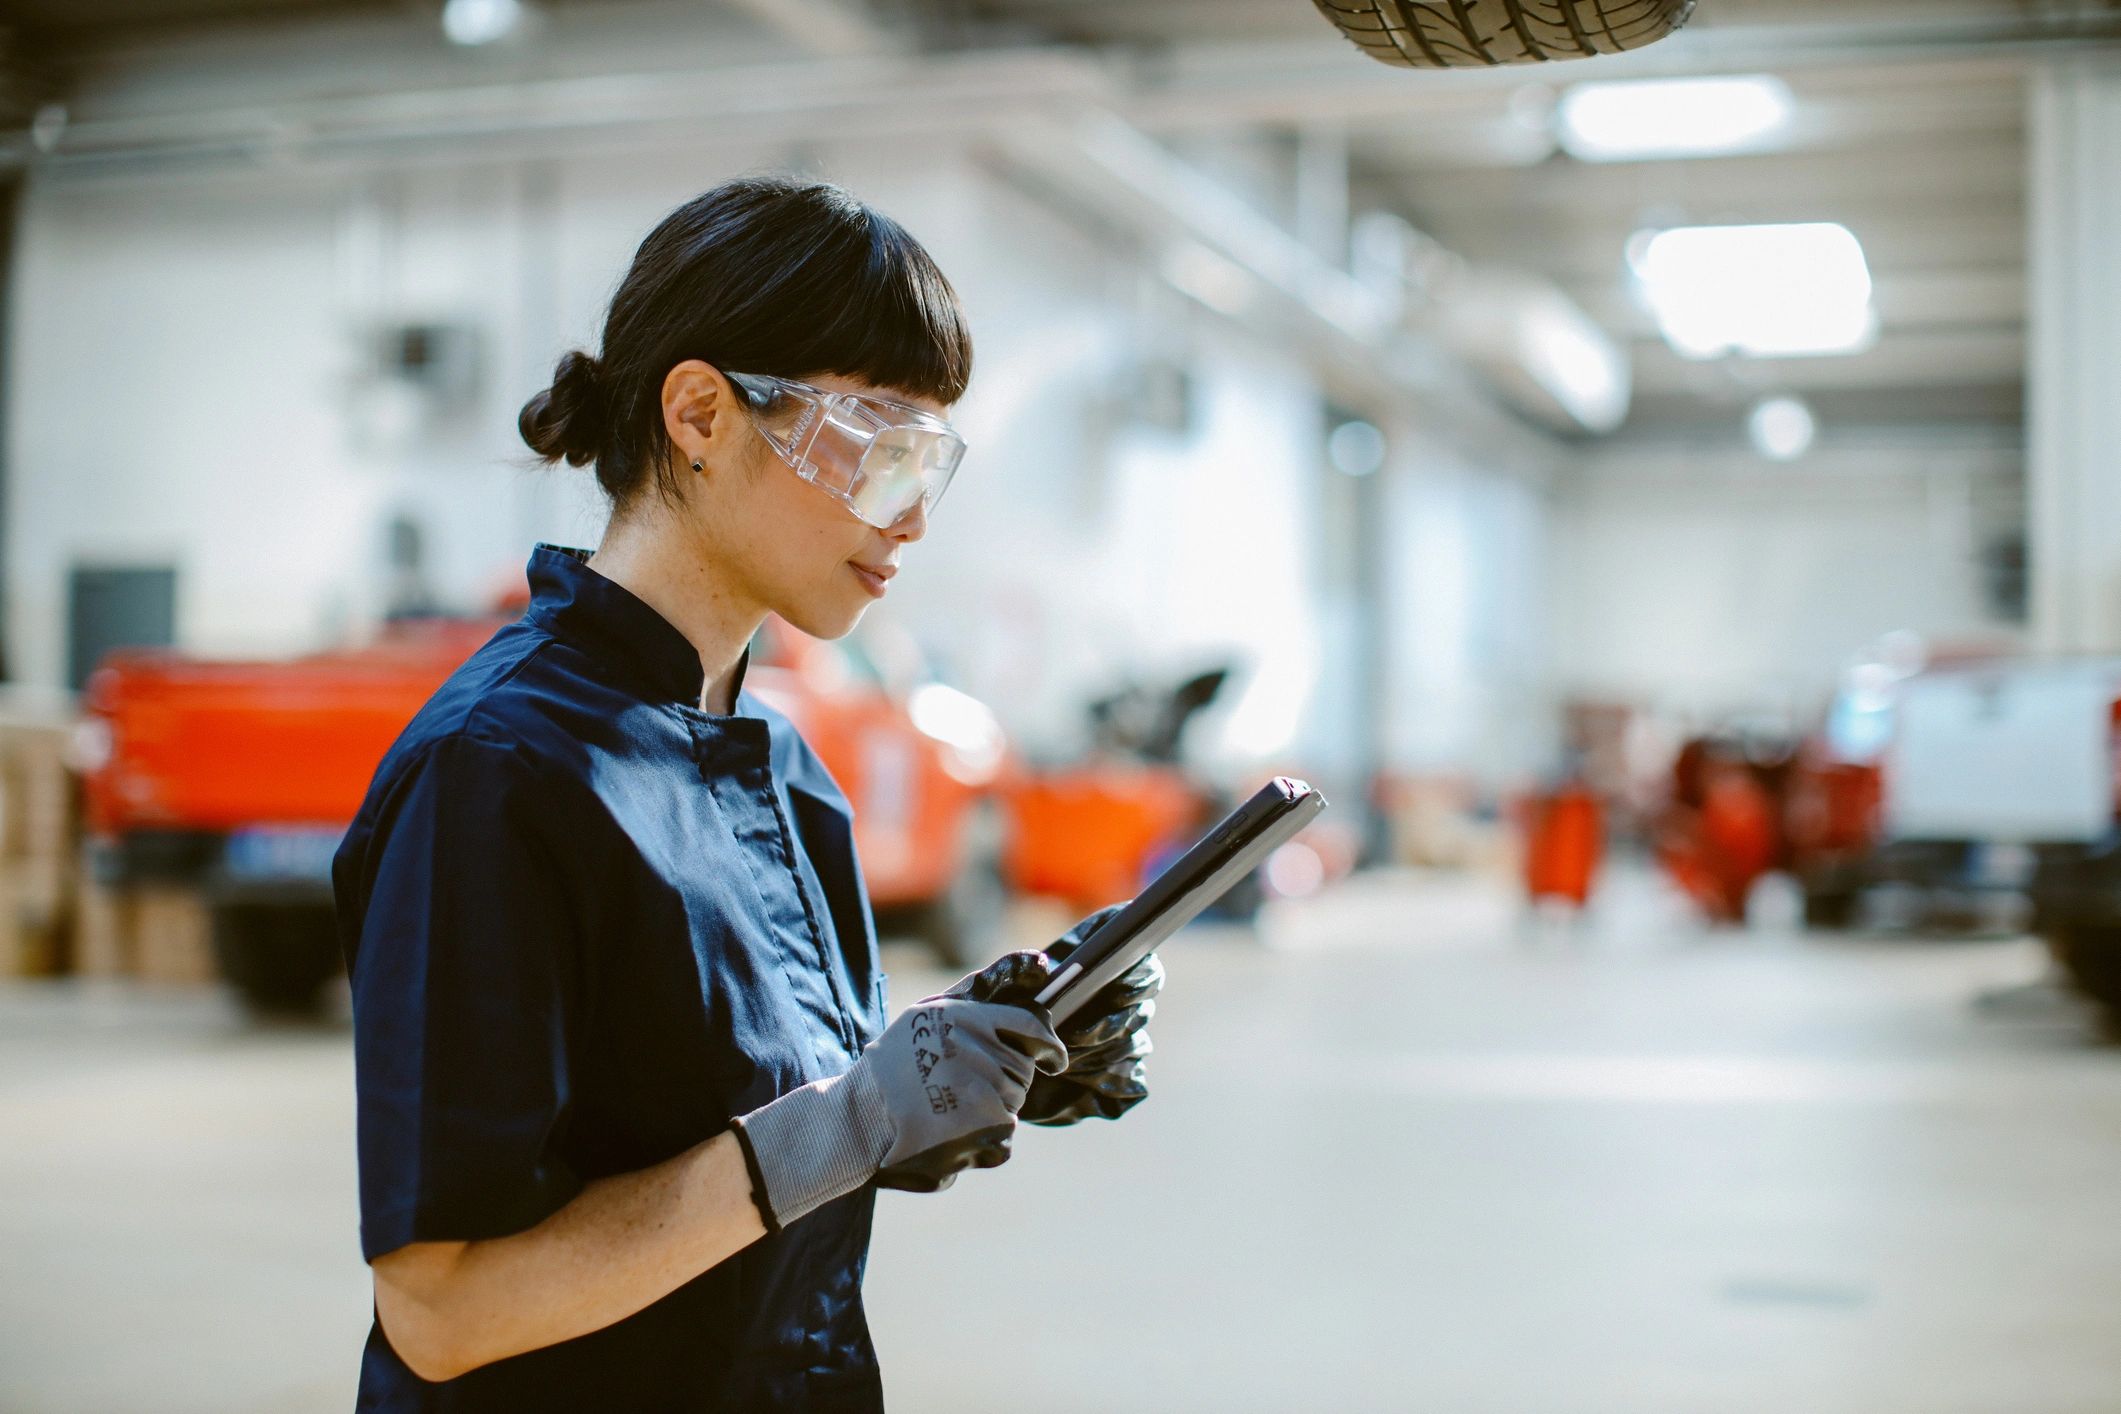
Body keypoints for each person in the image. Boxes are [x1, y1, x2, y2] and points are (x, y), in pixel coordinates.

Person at [331, 175, 1162, 1412]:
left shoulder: (783, 772)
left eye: (929, 460)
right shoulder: (499, 773)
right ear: (702, 412)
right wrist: (849, 1123)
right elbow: (447, 1308)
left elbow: (748, 1131)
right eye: (874, 445)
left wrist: (969, 1067)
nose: (912, 513)